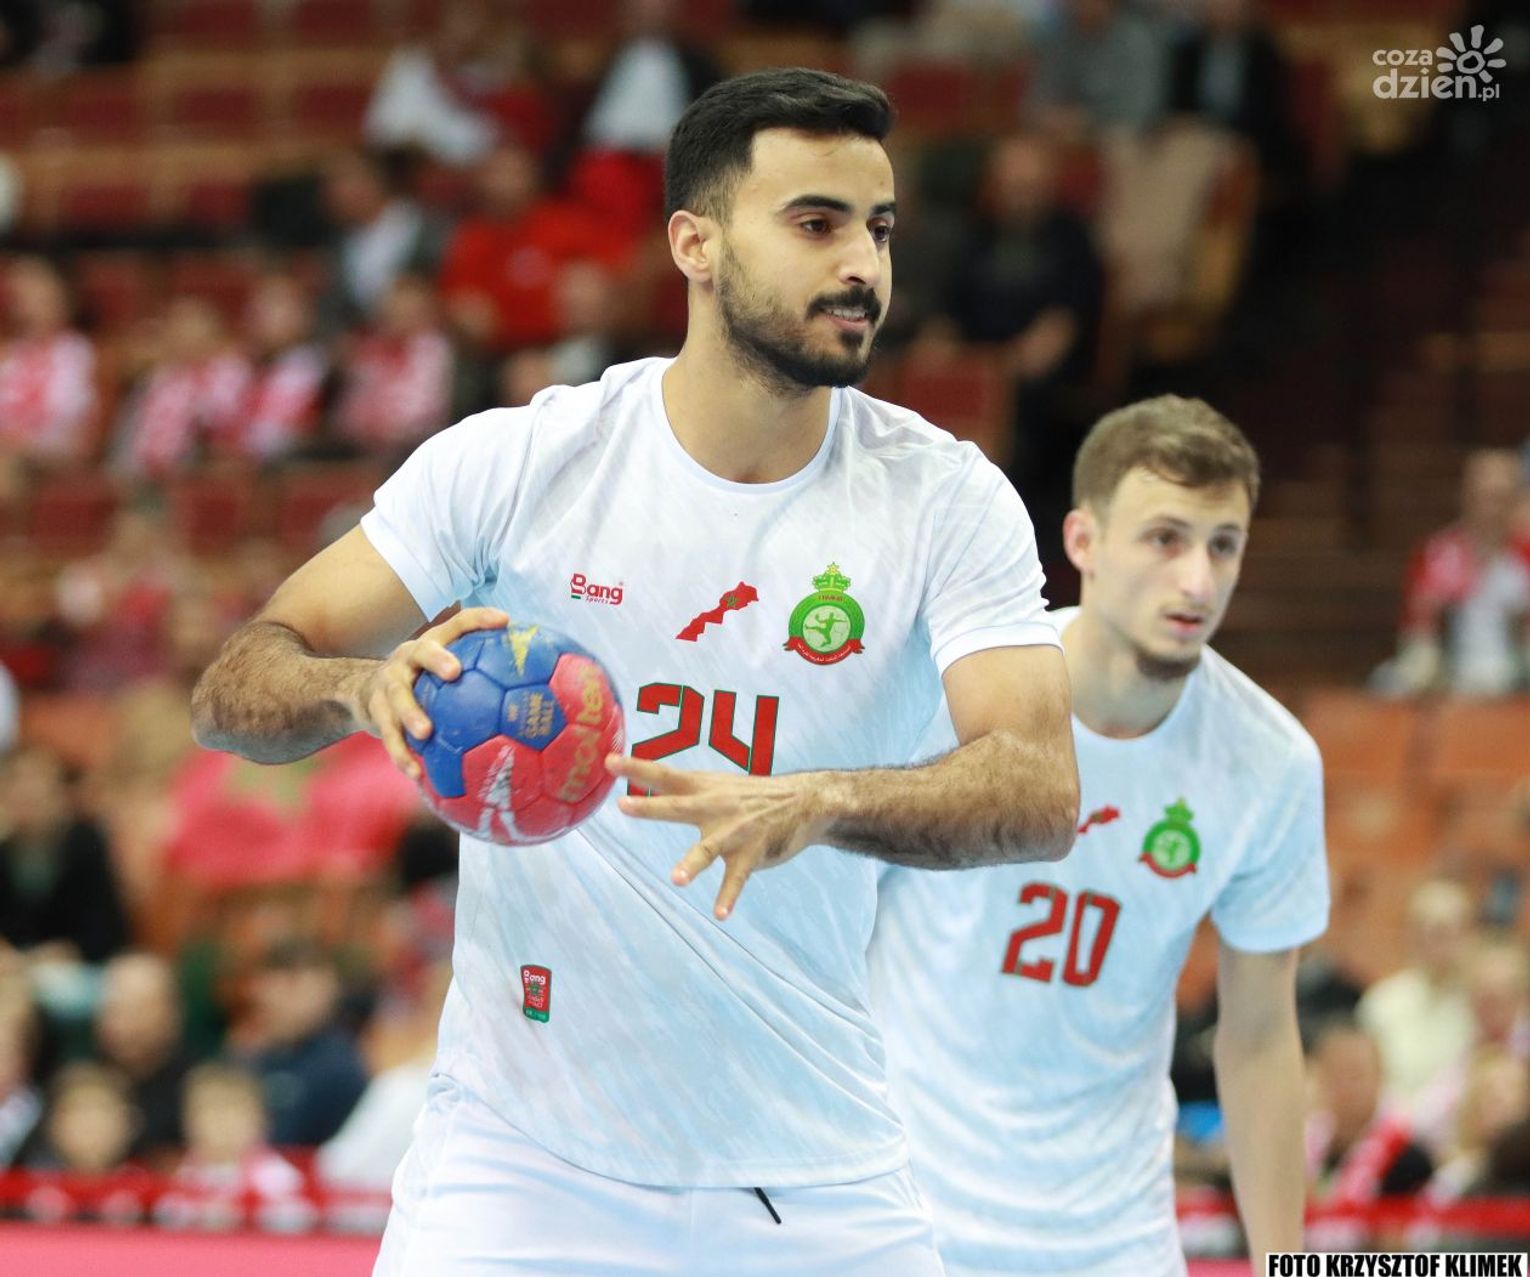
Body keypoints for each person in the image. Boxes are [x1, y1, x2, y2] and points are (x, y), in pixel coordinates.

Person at [190, 67, 1079, 1275]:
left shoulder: (944, 499)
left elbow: (1039, 788)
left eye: (877, 228)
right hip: (518, 1163)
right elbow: (237, 682)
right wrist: (360, 688)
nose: (862, 266)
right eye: (815, 223)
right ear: (694, 244)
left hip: (812, 1165)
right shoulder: (522, 462)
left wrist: (820, 799)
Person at [869, 396, 1330, 1276]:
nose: (1198, 580)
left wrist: (1285, 1262)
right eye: (1165, 538)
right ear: (1083, 540)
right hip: (903, 1220)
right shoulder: (947, 693)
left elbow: (1260, 1036)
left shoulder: (1270, 762)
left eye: (1223, 545)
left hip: (1114, 1240)